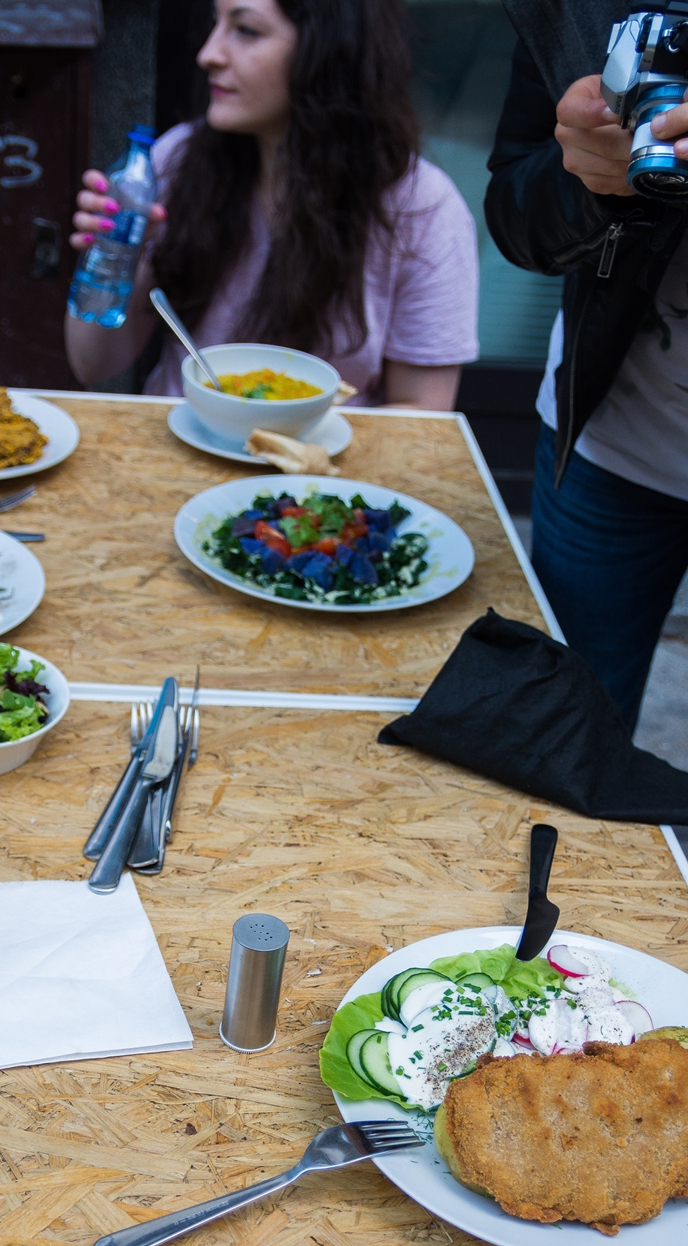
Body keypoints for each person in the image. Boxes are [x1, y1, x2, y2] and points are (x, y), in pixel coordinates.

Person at [65, 0, 478, 410]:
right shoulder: (178, 160)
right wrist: (116, 258)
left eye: (246, 30)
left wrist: (297, 441)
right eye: (214, 24)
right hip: (179, 439)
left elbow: (423, 412)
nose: (208, 54)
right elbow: (91, 364)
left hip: (326, 452)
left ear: (328, 48)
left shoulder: (421, 207)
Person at [487, 0, 688, 731]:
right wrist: (588, 178)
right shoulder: (589, 9)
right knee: (566, 731)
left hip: (612, 438)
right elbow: (514, 214)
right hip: (612, 441)